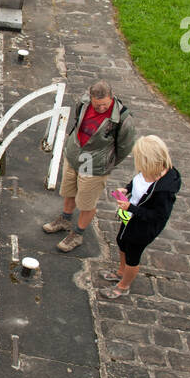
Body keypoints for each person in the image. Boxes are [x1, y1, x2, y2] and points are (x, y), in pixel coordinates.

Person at [42, 80, 137, 252]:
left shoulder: (124, 120)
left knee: (87, 201)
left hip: (94, 165)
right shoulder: (84, 103)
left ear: (112, 98)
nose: (101, 108)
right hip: (75, 155)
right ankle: (65, 219)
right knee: (69, 191)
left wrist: (106, 162)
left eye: (104, 105)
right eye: (97, 105)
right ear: (91, 98)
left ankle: (78, 233)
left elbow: (124, 148)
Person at [103, 137, 181, 298]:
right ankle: (120, 272)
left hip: (143, 227)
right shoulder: (148, 170)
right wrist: (126, 189)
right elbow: (136, 182)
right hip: (130, 217)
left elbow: (158, 215)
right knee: (121, 241)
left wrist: (131, 208)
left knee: (133, 254)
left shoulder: (164, 189)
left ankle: (124, 286)